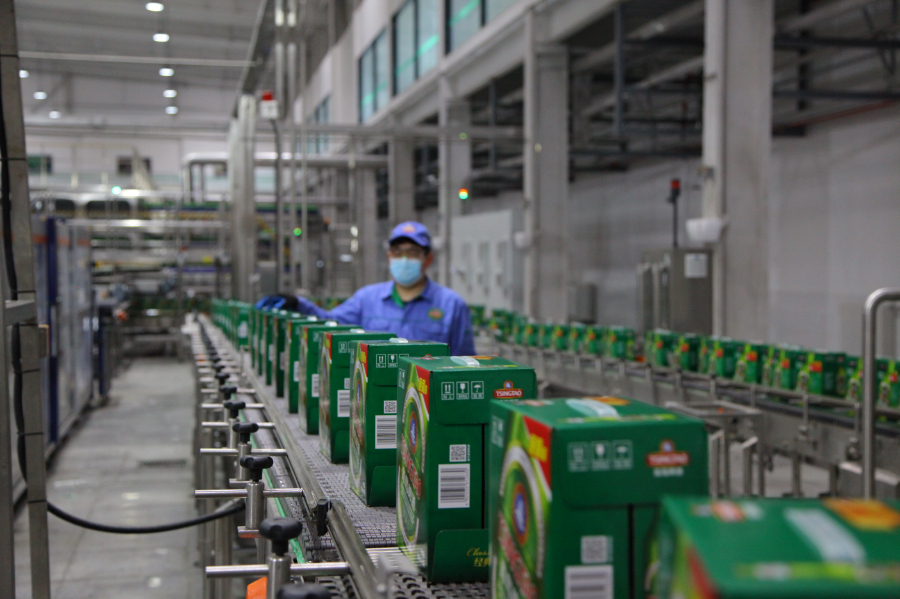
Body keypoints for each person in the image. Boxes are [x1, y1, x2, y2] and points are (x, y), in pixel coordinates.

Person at [288, 221, 476, 356]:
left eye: (412, 252)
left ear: (428, 259)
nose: (404, 259)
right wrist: (298, 304)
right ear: (389, 256)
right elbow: (330, 323)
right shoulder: (367, 299)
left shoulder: (451, 305)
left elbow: (465, 362)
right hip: (375, 392)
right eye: (398, 252)